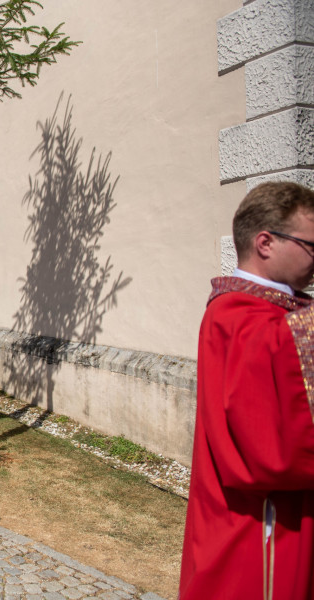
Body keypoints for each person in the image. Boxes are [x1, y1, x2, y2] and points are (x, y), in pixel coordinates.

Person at [180, 181, 314, 599]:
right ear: (265, 242)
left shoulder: (268, 315)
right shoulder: (241, 317)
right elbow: (266, 452)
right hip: (258, 525)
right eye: (312, 245)